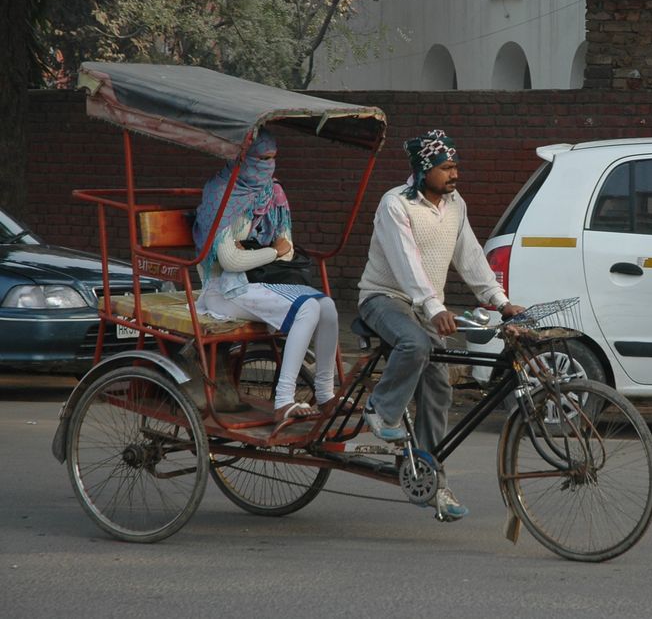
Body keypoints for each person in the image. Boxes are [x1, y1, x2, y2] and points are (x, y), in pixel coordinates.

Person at [357, 129, 523, 520]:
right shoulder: (395, 205)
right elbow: (405, 261)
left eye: (455, 166)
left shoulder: (455, 204)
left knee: (438, 387)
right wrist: (433, 306)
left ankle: (429, 476)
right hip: (384, 298)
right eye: (446, 167)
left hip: (425, 305)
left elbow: (470, 257)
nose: (454, 174)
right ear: (424, 168)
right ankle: (380, 410)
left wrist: (500, 302)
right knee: (414, 345)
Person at [192, 128, 339, 424]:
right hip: (224, 291)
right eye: (262, 158)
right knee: (308, 308)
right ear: (243, 157)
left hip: (262, 282)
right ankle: (284, 400)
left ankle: (325, 393)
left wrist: (261, 250)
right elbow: (230, 261)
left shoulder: (273, 193)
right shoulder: (222, 194)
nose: (268, 165)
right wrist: (270, 250)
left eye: (273, 158)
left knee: (328, 307)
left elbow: (288, 248)